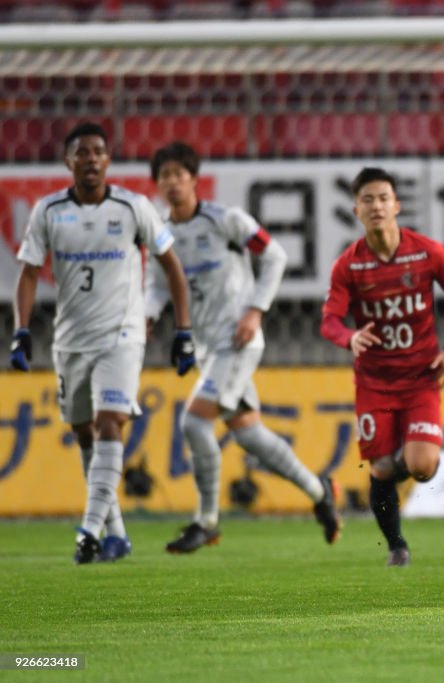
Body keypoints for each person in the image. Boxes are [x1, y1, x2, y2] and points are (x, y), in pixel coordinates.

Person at [9, 122, 196, 564]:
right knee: (84, 434)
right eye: (82, 152)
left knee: (110, 421)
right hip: (70, 340)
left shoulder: (132, 208)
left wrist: (183, 331)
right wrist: (21, 329)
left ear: (108, 161)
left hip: (123, 335)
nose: (91, 159)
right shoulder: (49, 211)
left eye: (99, 152)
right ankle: (116, 533)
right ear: (68, 162)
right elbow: (30, 272)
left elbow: (173, 268)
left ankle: (89, 531)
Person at [146, 141, 340, 553]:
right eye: (165, 177)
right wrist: (147, 318)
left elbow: (275, 255)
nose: (173, 183)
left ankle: (206, 522)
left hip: (238, 341)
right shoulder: (162, 237)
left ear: (194, 179)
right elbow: (158, 288)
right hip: (206, 350)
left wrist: (255, 310)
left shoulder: (226, 221)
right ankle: (319, 491)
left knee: (195, 424)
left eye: (180, 175)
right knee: (249, 436)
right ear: (158, 185)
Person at [321, 167, 444, 567]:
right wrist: (348, 337)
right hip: (374, 381)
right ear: (356, 210)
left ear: (397, 205)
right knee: (382, 468)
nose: (377, 206)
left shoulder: (427, 252)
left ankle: (400, 459)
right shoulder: (348, 266)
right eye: (368, 200)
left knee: (422, 467)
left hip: (421, 378)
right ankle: (397, 547)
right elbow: (329, 320)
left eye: (384, 198)